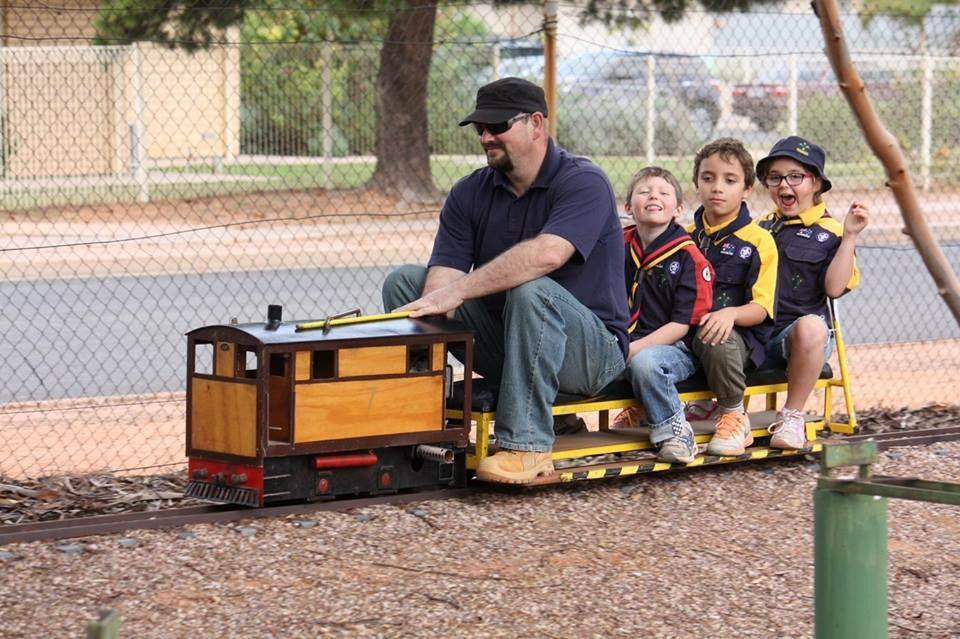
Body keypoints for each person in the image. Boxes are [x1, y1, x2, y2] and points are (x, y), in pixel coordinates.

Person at [382, 77, 629, 484]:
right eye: (480, 129)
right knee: (406, 283)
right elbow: (443, 280)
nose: (486, 137)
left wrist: (457, 291)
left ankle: (527, 447)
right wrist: (436, 299)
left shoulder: (584, 181)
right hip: (513, 343)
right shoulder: (469, 192)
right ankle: (417, 419)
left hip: (591, 356)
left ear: (536, 124)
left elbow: (548, 254)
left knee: (532, 289)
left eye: (497, 126)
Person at [755, 136, 868, 449]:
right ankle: (716, 407)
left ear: (816, 182)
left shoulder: (832, 232)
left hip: (798, 340)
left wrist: (849, 238)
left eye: (795, 177)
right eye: (774, 178)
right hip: (756, 331)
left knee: (811, 325)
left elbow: (834, 288)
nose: (783, 186)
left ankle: (792, 417)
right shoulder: (760, 226)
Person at [612, 167, 714, 462]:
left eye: (663, 192)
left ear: (678, 209)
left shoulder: (689, 257)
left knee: (646, 363)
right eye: (644, 192)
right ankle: (563, 424)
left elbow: (682, 325)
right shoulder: (617, 245)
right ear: (628, 207)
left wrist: (632, 350)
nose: (653, 196)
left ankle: (676, 434)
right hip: (624, 340)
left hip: (675, 350)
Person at [686, 138, 779, 456]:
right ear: (697, 183)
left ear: (747, 189)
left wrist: (730, 314)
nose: (717, 188)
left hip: (735, 338)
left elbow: (762, 308)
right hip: (684, 332)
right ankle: (652, 410)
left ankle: (733, 415)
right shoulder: (684, 237)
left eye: (730, 180)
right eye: (708, 178)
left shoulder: (759, 240)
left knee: (717, 335)